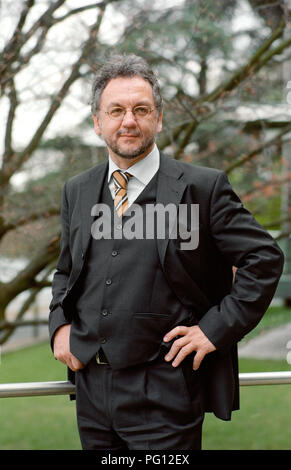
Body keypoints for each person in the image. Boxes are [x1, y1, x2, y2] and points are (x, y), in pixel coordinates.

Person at [49, 54, 284, 450]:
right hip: (91, 391)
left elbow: (264, 259)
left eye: (141, 110)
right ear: (97, 122)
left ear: (158, 119)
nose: (129, 121)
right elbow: (65, 272)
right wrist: (58, 326)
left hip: (166, 393)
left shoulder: (202, 189)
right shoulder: (78, 190)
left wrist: (214, 330)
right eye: (116, 110)